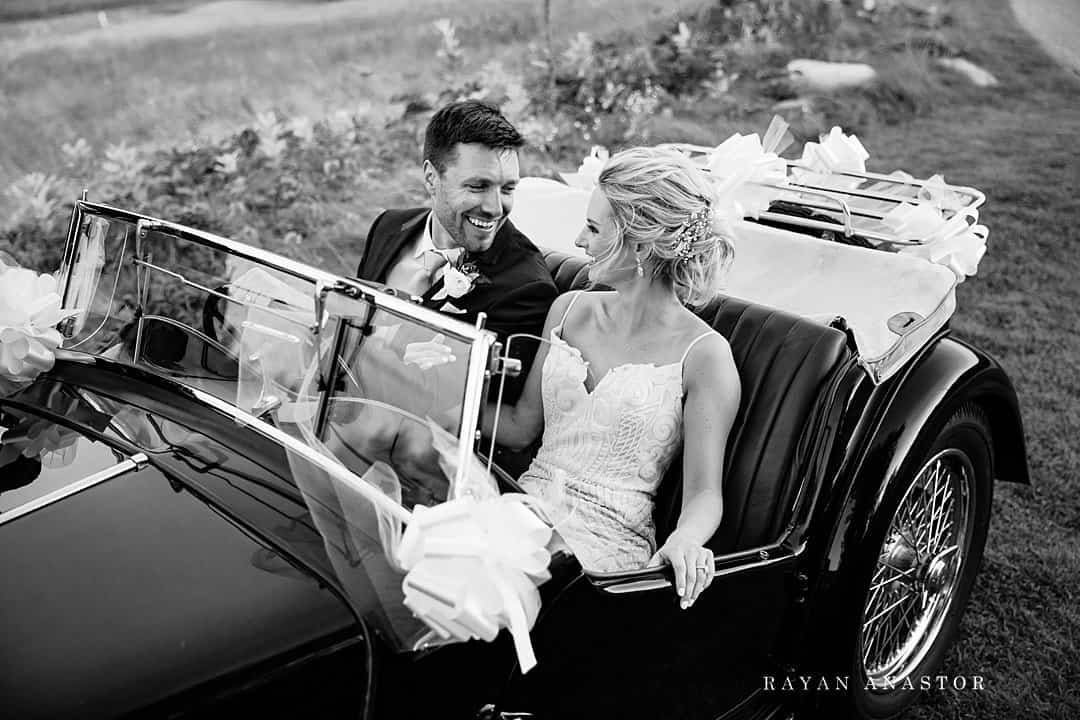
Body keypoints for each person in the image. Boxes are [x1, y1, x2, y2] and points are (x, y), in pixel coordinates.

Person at [487, 146, 742, 610]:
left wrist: (686, 539)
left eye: (593, 227)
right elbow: (522, 425)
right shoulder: (568, 311)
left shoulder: (705, 356)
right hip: (524, 512)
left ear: (641, 244)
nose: (579, 240)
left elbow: (705, 491)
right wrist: (439, 391)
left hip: (603, 549)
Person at [356, 99, 558, 406]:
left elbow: (478, 402)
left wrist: (389, 361)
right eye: (478, 186)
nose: (494, 208)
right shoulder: (387, 226)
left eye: (507, 189)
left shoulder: (526, 287)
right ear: (431, 178)